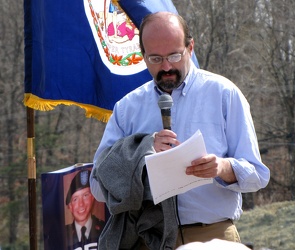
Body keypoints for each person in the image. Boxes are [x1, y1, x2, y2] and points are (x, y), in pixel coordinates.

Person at [90, 11, 270, 248]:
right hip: (147, 239)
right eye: (155, 59)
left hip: (212, 236)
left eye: (174, 55)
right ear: (143, 56)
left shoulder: (224, 94)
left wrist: (223, 167)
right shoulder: (127, 109)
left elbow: (258, 175)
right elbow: (97, 187)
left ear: (190, 48)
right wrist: (139, 151)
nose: (166, 67)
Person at [66, 169, 105, 250]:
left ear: (93, 197)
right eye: (75, 199)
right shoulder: (62, 234)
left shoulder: (105, 228)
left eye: (85, 195)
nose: (81, 204)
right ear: (70, 206)